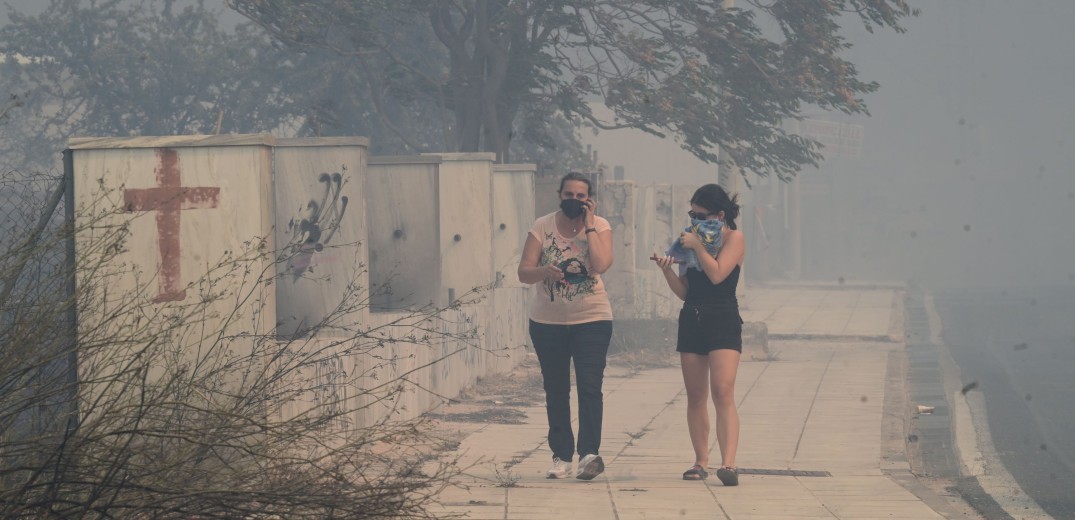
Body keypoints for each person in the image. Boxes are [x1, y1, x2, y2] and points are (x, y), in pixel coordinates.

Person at [518, 172, 613, 480]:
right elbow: (524, 272)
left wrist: (588, 225)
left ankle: (588, 454)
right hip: (548, 323)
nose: (574, 200)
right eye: (568, 194)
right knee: (556, 389)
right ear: (559, 194)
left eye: (580, 196)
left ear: (589, 199)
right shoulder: (542, 226)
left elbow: (600, 265)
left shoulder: (599, 226)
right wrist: (543, 270)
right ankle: (561, 456)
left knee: (589, 387)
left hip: (593, 320)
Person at [651, 183, 744, 486]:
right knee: (695, 394)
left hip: (723, 318)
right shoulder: (687, 242)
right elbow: (684, 292)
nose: (694, 219)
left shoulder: (734, 239)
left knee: (722, 390)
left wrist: (699, 246)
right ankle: (700, 460)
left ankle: (728, 464)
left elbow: (718, 275)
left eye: (701, 214)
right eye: (692, 213)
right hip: (692, 317)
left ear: (719, 215)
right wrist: (666, 269)